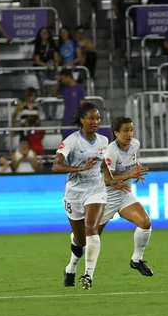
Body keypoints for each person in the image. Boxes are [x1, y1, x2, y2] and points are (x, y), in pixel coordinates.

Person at [53, 102, 127, 289]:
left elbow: (102, 165)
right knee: (80, 240)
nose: (96, 122)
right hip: (74, 193)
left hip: (96, 190)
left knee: (91, 228)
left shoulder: (103, 140)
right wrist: (80, 168)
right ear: (82, 120)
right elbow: (56, 166)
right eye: (92, 118)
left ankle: (88, 275)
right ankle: (71, 267)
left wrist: (111, 180)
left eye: (98, 118)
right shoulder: (71, 141)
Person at [98, 116, 153, 276]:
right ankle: (75, 267)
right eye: (125, 131)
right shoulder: (111, 151)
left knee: (145, 222)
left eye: (131, 130)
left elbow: (131, 161)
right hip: (106, 198)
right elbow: (106, 180)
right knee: (90, 237)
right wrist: (130, 174)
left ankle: (137, 259)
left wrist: (136, 170)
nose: (129, 134)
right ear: (116, 133)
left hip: (124, 196)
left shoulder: (134, 144)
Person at [33, 27, 59, 122]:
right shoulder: (38, 45)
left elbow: (56, 58)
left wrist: (54, 65)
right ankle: (47, 114)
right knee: (44, 92)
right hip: (42, 71)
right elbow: (37, 60)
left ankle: (53, 114)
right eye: (42, 32)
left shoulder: (52, 45)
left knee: (53, 93)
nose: (44, 34)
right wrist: (46, 65)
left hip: (52, 70)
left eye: (46, 32)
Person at [59, 68, 86, 138]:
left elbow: (82, 104)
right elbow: (54, 94)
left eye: (63, 78)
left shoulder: (79, 87)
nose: (63, 81)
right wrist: (57, 82)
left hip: (75, 120)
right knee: (65, 143)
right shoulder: (63, 88)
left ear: (68, 77)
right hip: (65, 119)